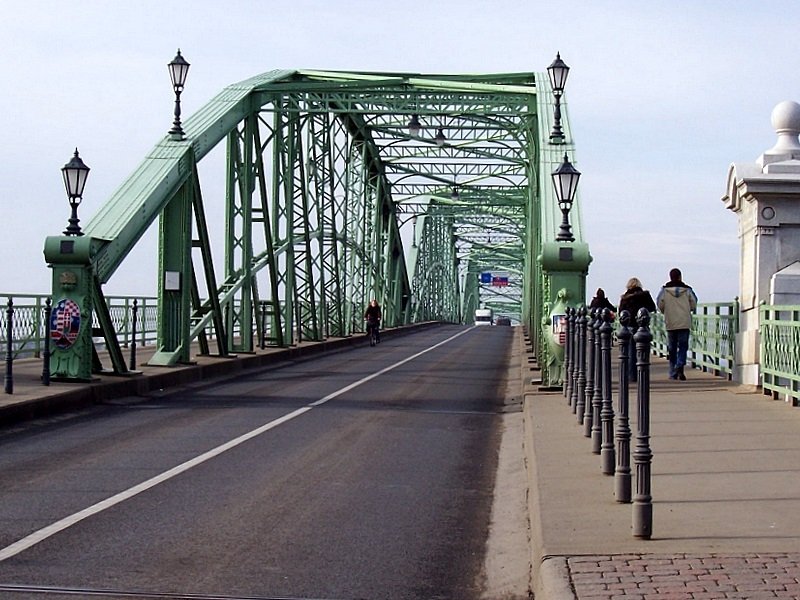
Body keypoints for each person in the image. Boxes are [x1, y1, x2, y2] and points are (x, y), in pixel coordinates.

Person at [656, 268, 698, 381]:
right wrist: (688, 309)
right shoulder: (688, 290)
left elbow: (659, 304)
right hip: (684, 321)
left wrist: (666, 311)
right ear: (680, 277)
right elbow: (694, 303)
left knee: (672, 348)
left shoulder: (664, 291)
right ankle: (680, 365)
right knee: (683, 346)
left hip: (671, 321)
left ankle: (672, 372)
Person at [618, 277, 657, 381]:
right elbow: (652, 307)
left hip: (630, 326)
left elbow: (620, 312)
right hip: (642, 327)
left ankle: (632, 375)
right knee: (643, 350)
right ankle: (643, 375)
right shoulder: (645, 295)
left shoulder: (625, 297)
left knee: (631, 352)